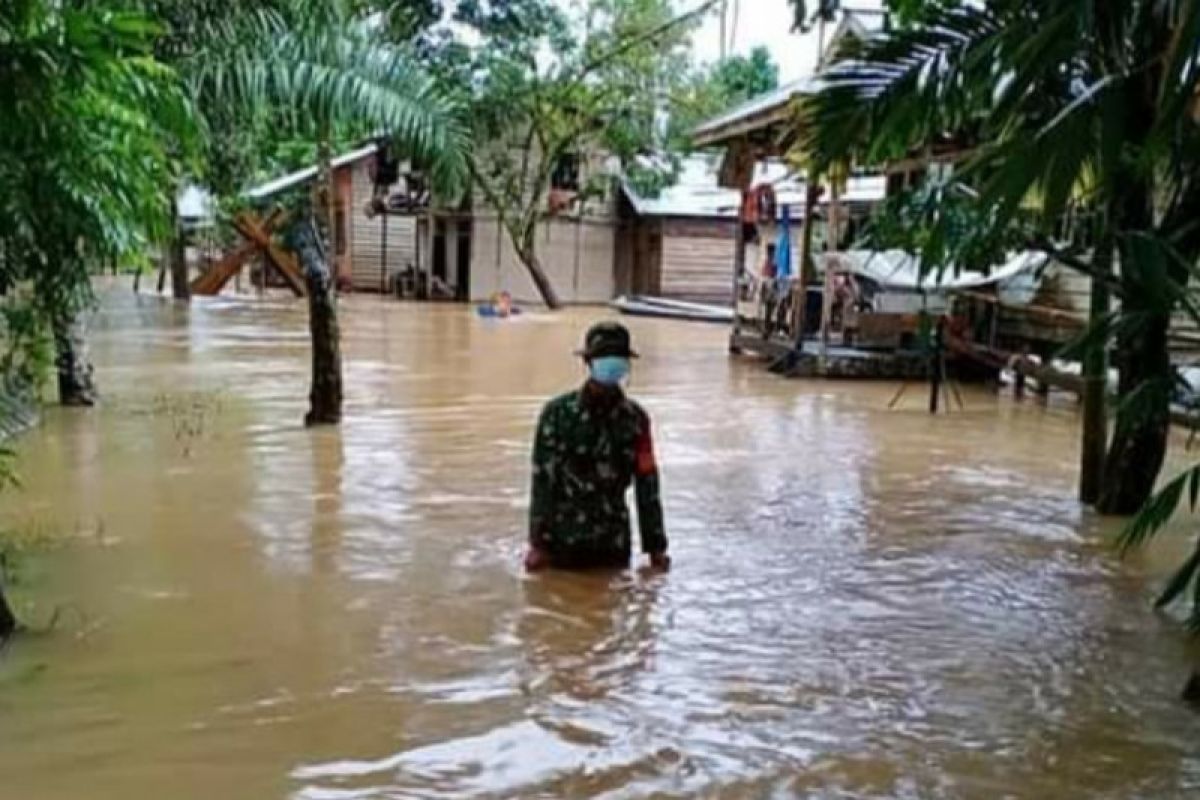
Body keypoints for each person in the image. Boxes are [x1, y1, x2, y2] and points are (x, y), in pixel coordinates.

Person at [524, 322, 670, 572]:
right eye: (604, 357)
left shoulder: (636, 420)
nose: (612, 364)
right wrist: (538, 544)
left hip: (612, 546)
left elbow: (647, 485)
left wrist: (656, 548)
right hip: (563, 545)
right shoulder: (556, 414)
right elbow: (543, 481)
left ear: (627, 365)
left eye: (618, 358)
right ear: (589, 362)